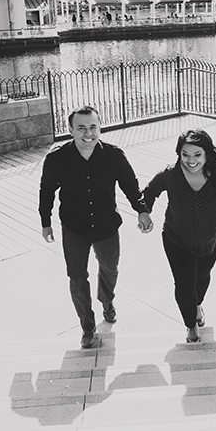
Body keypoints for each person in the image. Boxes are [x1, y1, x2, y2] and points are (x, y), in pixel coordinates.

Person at [39, 106, 153, 349]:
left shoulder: (114, 156)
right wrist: (45, 222)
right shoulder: (56, 159)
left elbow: (130, 185)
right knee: (77, 277)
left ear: (100, 128)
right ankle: (87, 328)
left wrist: (142, 210)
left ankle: (107, 300)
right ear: (70, 130)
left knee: (110, 268)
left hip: (106, 225)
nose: (87, 133)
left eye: (93, 127)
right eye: (81, 128)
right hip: (74, 228)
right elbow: (47, 190)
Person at [142, 129, 216, 343]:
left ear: (207, 154)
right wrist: (145, 213)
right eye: (185, 154)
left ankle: (197, 306)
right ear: (179, 154)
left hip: (211, 242)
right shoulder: (170, 174)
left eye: (197, 154)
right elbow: (149, 192)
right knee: (184, 284)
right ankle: (190, 325)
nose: (191, 160)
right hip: (176, 240)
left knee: (202, 277)